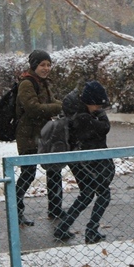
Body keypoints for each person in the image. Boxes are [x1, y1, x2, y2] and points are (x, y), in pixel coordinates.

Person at [53, 81, 115, 244]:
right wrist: (101, 117)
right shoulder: (82, 118)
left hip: (81, 160)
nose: (100, 109)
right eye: (97, 105)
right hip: (85, 161)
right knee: (103, 194)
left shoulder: (78, 113)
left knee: (87, 194)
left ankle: (63, 228)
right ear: (88, 102)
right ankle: (91, 230)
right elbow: (104, 128)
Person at [14, 50, 63, 227]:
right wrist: (57, 107)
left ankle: (56, 208)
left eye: (49, 65)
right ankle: (16, 210)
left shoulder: (43, 83)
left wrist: (59, 105)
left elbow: (50, 102)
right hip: (28, 136)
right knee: (28, 173)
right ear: (34, 65)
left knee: (54, 170)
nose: (46, 68)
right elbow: (33, 108)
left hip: (45, 134)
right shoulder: (27, 83)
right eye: (42, 65)